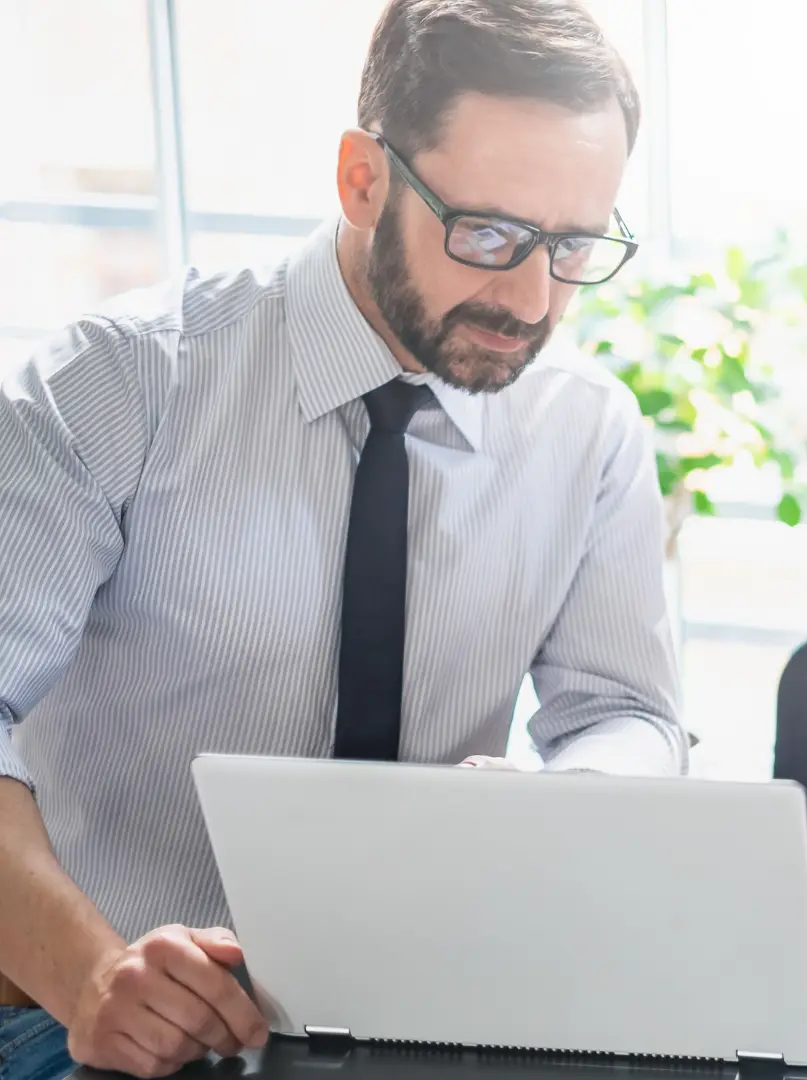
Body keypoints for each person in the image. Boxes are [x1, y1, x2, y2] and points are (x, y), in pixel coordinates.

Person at [0, 2, 685, 1076]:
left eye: (575, 246)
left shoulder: (588, 430)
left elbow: (628, 713)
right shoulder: (123, 385)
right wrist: (91, 974)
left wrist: (563, 805)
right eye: (491, 235)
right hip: (108, 1015)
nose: (530, 296)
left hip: (440, 1013)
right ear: (363, 179)